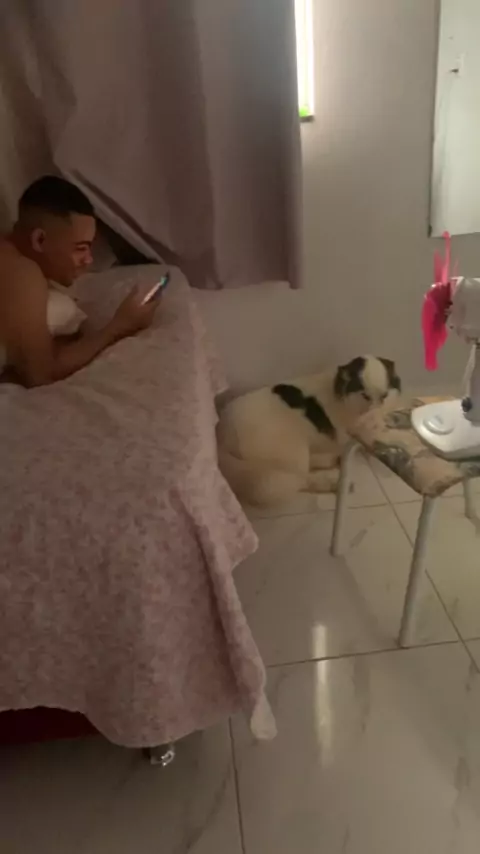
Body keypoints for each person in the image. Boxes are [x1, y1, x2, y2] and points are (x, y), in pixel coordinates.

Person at [0, 175, 156, 387]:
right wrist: (119, 326)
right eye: (80, 248)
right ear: (39, 240)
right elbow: (40, 375)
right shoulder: (22, 274)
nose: (89, 260)